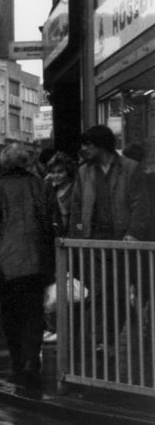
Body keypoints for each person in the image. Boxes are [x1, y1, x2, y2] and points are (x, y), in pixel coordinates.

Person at [69, 125, 150, 370]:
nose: (83, 149)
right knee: (101, 295)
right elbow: (76, 207)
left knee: (118, 294)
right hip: (93, 245)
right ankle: (104, 341)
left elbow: (141, 204)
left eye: (87, 145)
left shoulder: (130, 168)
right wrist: (76, 238)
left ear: (100, 144)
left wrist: (133, 233)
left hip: (122, 244)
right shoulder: (84, 172)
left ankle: (109, 340)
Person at [0, 144, 54, 390]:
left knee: (10, 315)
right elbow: (48, 220)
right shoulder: (39, 185)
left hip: (4, 263)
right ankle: (32, 363)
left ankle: (17, 365)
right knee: (33, 314)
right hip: (35, 261)